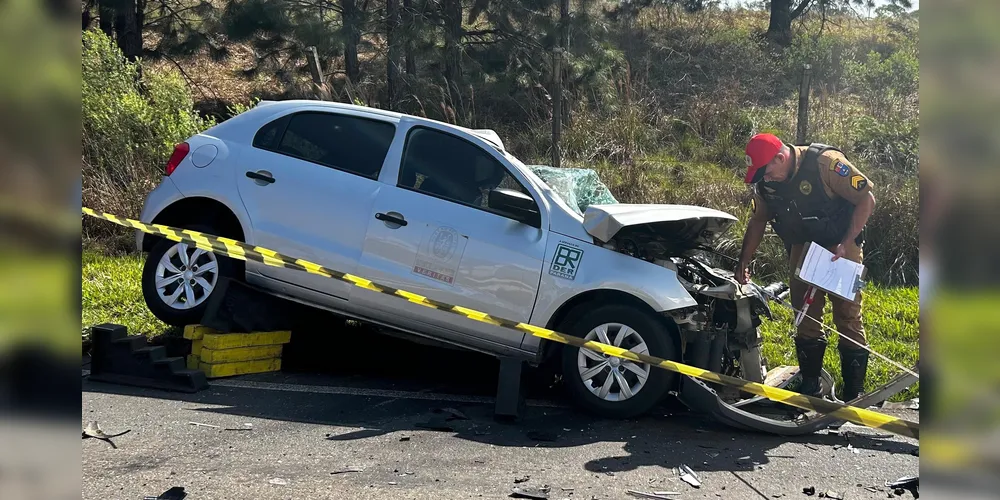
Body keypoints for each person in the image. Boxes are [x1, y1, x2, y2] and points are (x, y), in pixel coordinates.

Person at [734, 133, 876, 401]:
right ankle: (811, 385)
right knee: (804, 313)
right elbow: (758, 220)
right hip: (804, 246)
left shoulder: (827, 164)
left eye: (767, 171)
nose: (765, 177)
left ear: (781, 157)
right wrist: (744, 259)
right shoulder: (767, 184)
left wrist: (846, 242)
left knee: (847, 314)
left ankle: (855, 391)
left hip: (841, 245)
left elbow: (867, 199)